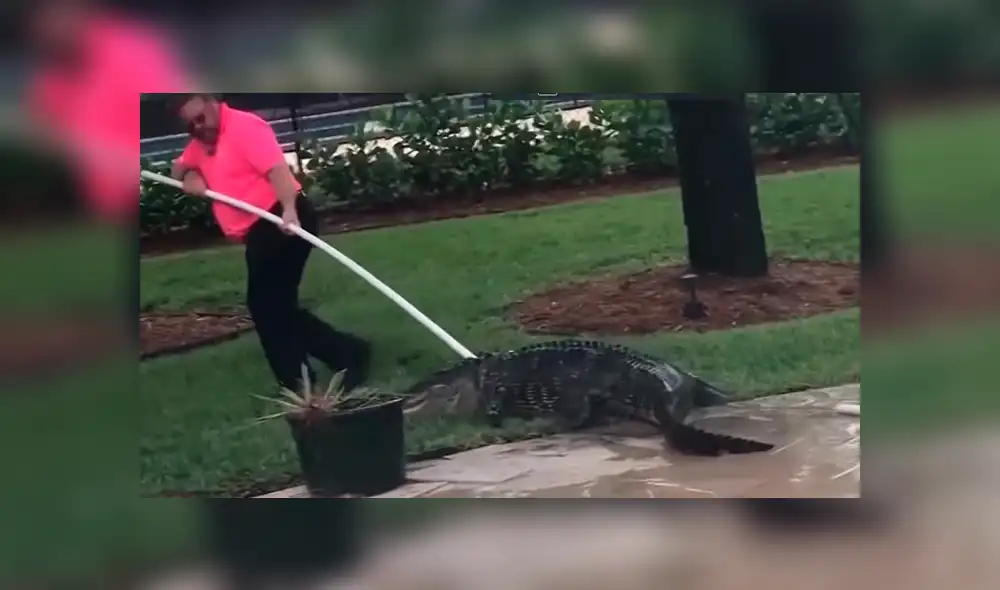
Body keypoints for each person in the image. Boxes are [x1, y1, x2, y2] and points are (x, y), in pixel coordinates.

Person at [169, 93, 371, 393]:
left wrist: (289, 211)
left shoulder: (245, 127)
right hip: (258, 229)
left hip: (279, 218)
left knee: (266, 306)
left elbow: (278, 171)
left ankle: (300, 381)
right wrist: (191, 175)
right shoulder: (200, 144)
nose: (198, 127)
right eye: (190, 124)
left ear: (214, 103)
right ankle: (346, 354)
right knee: (276, 307)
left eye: (201, 118)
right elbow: (178, 167)